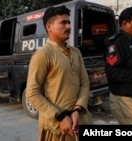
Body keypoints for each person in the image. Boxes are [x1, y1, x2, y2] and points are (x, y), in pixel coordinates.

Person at [25, 5, 92, 141]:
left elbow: (84, 83)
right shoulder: (43, 55)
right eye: (63, 22)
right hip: (56, 127)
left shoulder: (76, 53)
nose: (68, 26)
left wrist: (77, 110)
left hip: (79, 120)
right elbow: (32, 93)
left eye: (69, 22)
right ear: (49, 26)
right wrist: (60, 116)